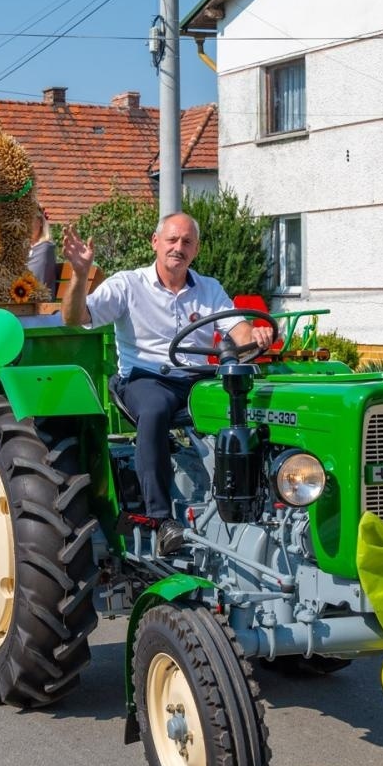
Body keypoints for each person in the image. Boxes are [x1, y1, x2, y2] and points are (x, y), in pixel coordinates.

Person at [61, 212, 253, 555]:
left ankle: (249, 502)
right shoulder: (127, 284)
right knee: (154, 410)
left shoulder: (209, 288)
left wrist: (257, 337)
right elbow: (75, 317)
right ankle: (162, 521)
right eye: (172, 240)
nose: (179, 248)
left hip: (197, 380)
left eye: (187, 242)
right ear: (155, 242)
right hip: (146, 378)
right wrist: (79, 274)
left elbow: (240, 333)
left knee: (248, 404)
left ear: (195, 250)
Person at [26, 208, 58, 297]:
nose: (26, 225)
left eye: (30, 220)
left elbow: (36, 280)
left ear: (40, 222)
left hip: (38, 303)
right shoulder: (23, 248)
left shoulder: (45, 248)